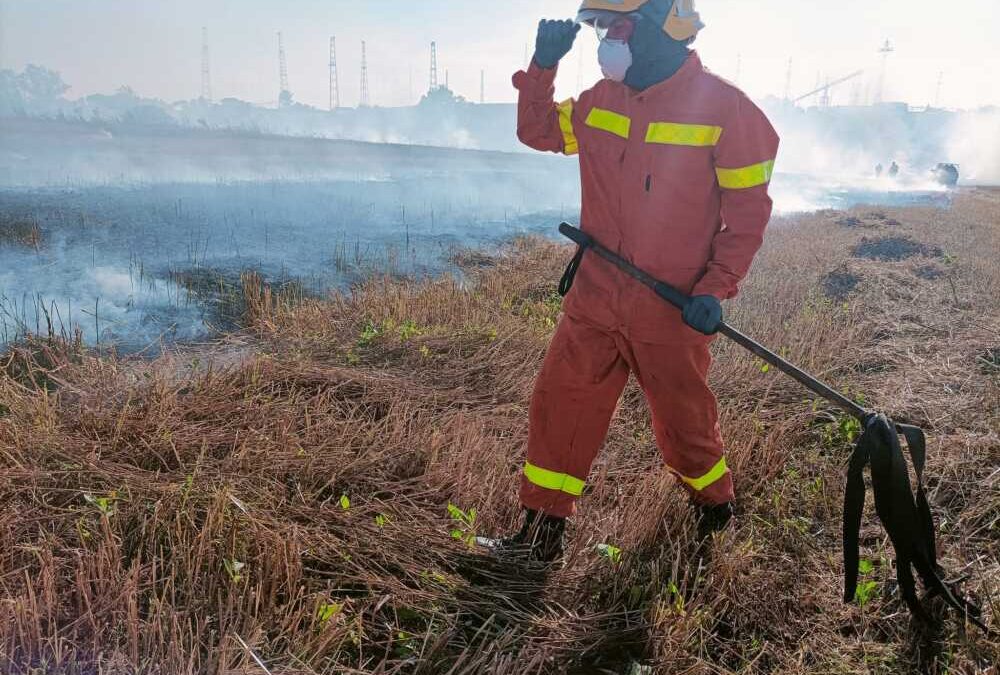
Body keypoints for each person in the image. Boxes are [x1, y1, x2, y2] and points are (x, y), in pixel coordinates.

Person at [493, 0, 780, 562]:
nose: (607, 41)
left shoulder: (729, 111)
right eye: (601, 29)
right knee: (561, 407)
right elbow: (537, 131)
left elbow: (747, 221)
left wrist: (713, 289)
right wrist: (542, 67)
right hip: (596, 296)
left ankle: (715, 513)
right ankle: (539, 536)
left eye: (617, 28)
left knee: (684, 425)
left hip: (669, 308)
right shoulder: (601, 102)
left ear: (665, 31)